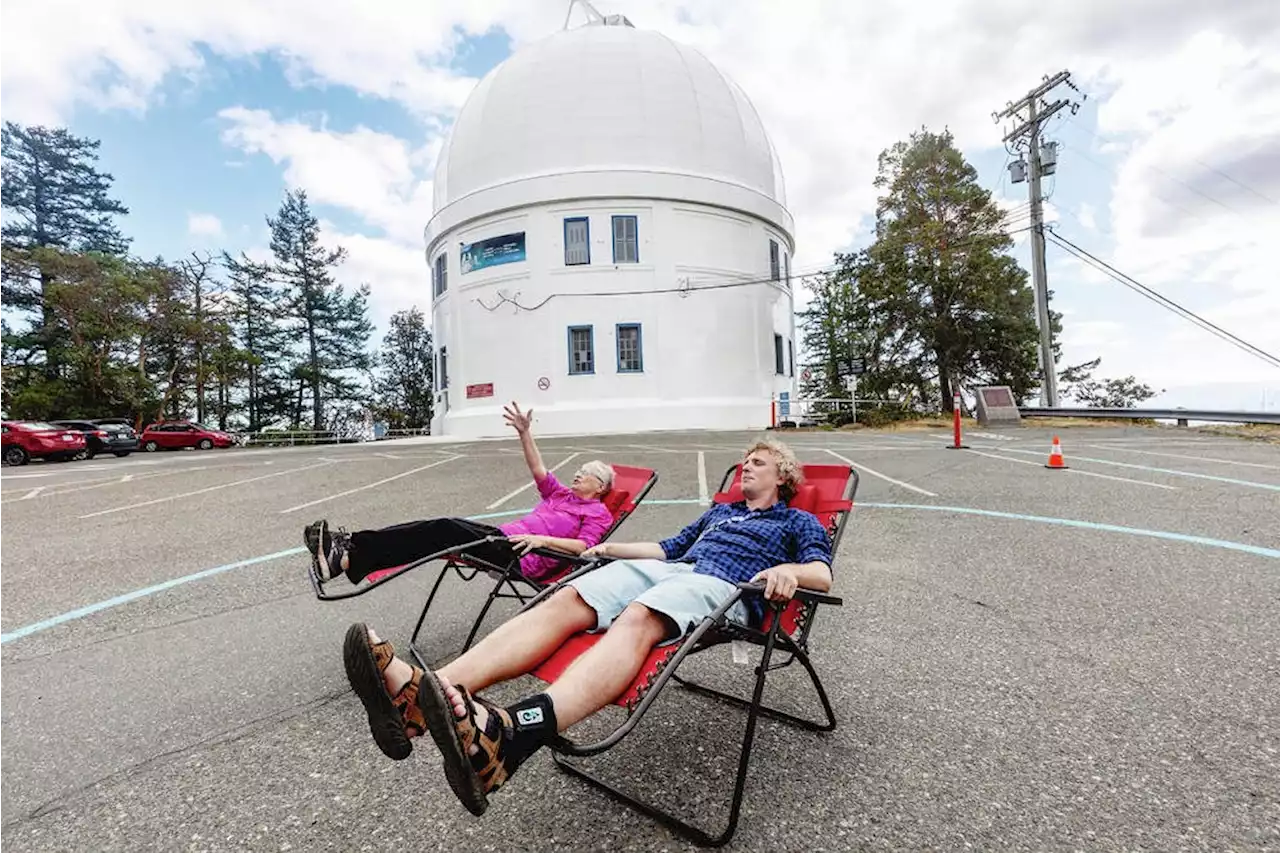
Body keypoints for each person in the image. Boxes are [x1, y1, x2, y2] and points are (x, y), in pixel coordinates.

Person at [340, 437, 833, 817]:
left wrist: (790, 572)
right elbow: (667, 548)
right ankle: (423, 695)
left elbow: (822, 573)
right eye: (744, 460)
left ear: (782, 476)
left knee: (640, 616)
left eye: (758, 462)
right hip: (677, 569)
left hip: (728, 589)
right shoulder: (720, 513)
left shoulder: (796, 522)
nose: (746, 465)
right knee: (566, 600)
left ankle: (513, 734)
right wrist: (607, 549)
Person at [305, 402, 616, 586]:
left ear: (600, 487)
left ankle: (348, 554)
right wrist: (525, 433)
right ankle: (348, 557)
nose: (578, 473)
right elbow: (538, 468)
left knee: (442, 528)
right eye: (579, 469)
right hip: (501, 539)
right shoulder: (560, 495)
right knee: (432, 533)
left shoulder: (598, 513)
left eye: (586, 472)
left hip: (524, 558)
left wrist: (543, 541)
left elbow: (585, 547)